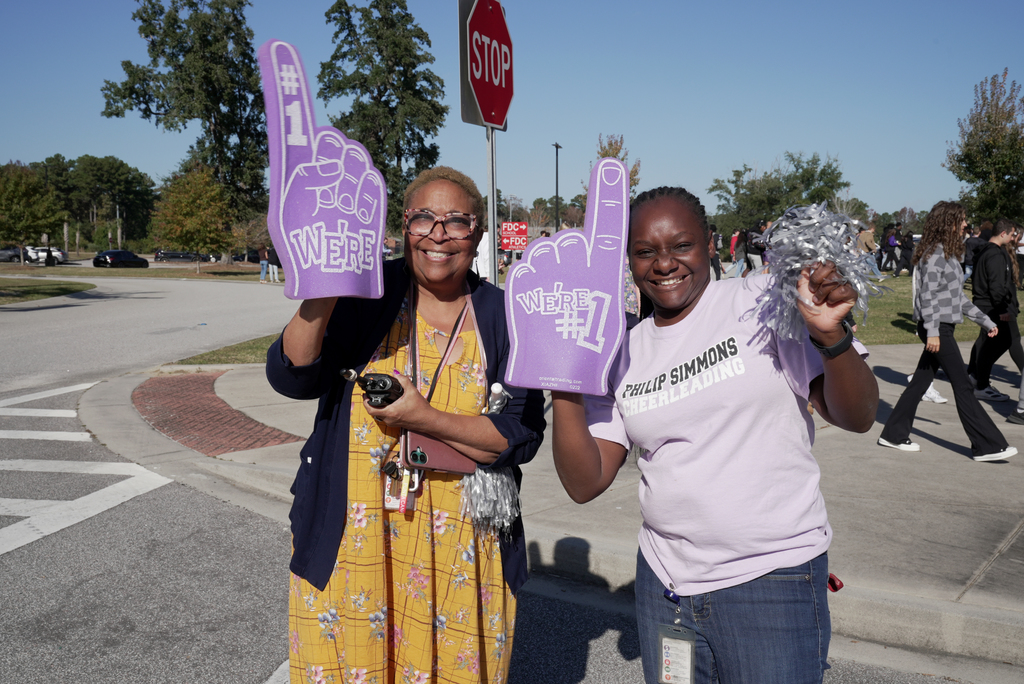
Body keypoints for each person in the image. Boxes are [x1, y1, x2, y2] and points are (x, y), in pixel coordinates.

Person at [550, 186, 878, 683]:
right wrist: (564, 385)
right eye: (645, 252)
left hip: (772, 580)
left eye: (680, 246)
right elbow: (584, 482)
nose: (663, 264)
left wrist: (832, 337)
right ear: (628, 258)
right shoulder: (622, 349)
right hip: (666, 586)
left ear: (708, 242)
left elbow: (856, 416)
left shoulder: (759, 301)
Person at [267, 166, 546, 683]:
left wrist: (425, 418)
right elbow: (295, 376)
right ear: (404, 227)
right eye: (425, 219)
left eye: (457, 222)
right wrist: (325, 287)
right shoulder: (365, 296)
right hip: (358, 538)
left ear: (479, 233)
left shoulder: (505, 314)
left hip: (465, 548)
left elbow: (520, 434)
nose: (439, 235)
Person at [877, 202, 1016, 461]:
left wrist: (985, 321)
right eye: (961, 220)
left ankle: (893, 434)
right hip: (936, 326)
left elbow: (957, 298)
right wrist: (931, 331)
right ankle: (987, 445)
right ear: (948, 222)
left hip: (941, 325)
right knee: (963, 384)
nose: (966, 224)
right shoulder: (934, 253)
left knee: (920, 383)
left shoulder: (950, 254)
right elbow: (927, 296)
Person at [968, 219, 1020, 403]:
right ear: (1003, 233)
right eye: (1013, 234)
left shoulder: (987, 251)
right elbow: (996, 285)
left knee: (992, 344)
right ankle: (981, 384)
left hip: (987, 305)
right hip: (992, 306)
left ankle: (976, 377)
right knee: (999, 343)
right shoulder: (994, 254)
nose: (1014, 237)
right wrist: (1003, 308)